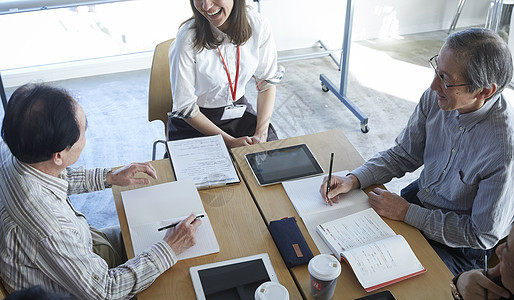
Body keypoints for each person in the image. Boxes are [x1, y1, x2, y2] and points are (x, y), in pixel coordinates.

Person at [320, 27, 514, 275]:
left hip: (458, 245)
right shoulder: (436, 98)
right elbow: (404, 154)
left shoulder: (504, 150)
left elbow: (480, 235)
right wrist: (354, 179)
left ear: (484, 92)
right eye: (436, 69)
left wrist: (407, 212)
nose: (433, 85)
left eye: (446, 79)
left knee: (387, 278)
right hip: (420, 200)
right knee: (339, 250)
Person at [0, 83, 201, 299]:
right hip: (78, 288)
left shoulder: (16, 155)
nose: (86, 136)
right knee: (185, 278)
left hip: (79, 248)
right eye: (83, 130)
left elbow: (55, 176)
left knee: (149, 229)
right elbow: (105, 291)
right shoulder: (51, 228)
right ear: (59, 155)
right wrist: (169, 249)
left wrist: (109, 177)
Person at [167, 0, 283, 148]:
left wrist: (261, 134)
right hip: (195, 122)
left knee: (272, 162)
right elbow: (184, 106)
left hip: (239, 115)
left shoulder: (258, 24)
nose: (206, 6)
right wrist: (229, 142)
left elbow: (266, 82)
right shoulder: (187, 38)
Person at [451, 225, 514, 300]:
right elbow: (464, 289)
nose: (498, 250)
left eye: (507, 248)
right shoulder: (502, 280)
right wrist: (461, 282)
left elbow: (478, 235)